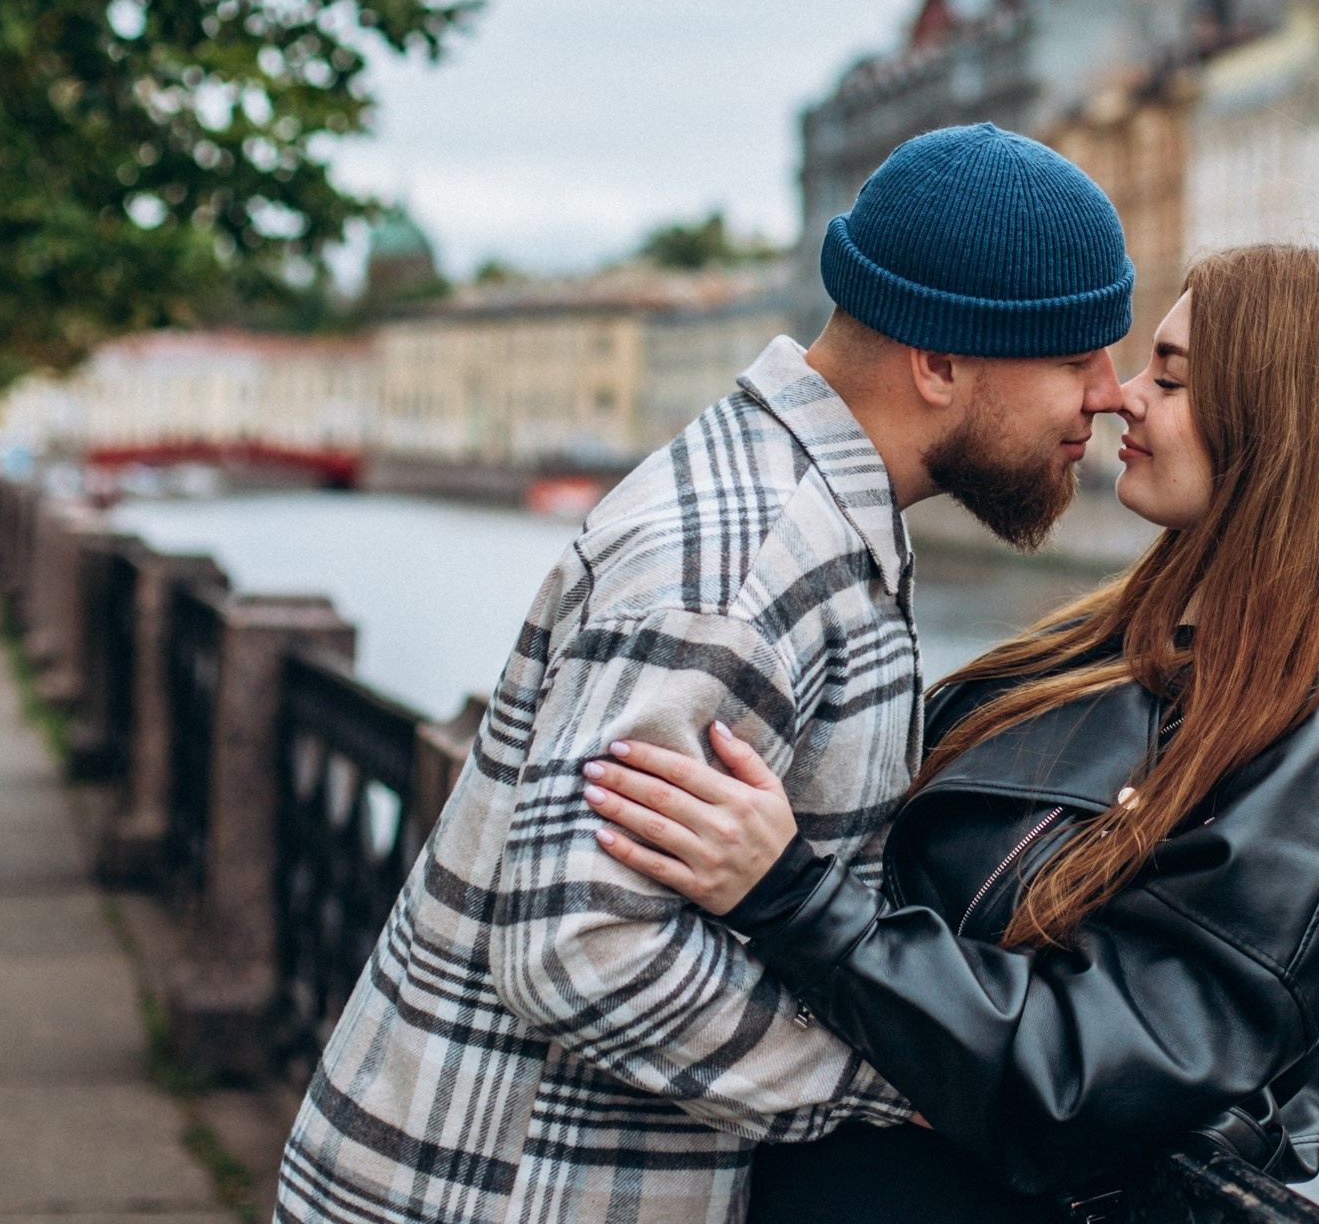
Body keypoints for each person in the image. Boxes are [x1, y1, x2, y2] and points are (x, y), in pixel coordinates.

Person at [275, 123, 1136, 1224]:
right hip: (494, 1192)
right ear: (940, 361)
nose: (1107, 396)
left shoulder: (801, 518)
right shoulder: (741, 560)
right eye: (1075, 358)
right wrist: (905, 1082)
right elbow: (583, 945)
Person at [582, 244, 1319, 1220]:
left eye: (1172, 377)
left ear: (1285, 426)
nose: (1122, 397)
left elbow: (1079, 1082)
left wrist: (790, 895)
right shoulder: (1118, 637)